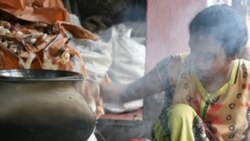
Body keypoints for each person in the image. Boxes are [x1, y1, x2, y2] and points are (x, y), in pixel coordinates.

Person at [101, 4, 250, 141]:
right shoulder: (177, 65)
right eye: (194, 50)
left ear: (234, 54)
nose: (197, 61)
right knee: (180, 114)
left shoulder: (247, 79)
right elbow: (126, 93)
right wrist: (95, 86)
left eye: (207, 56)